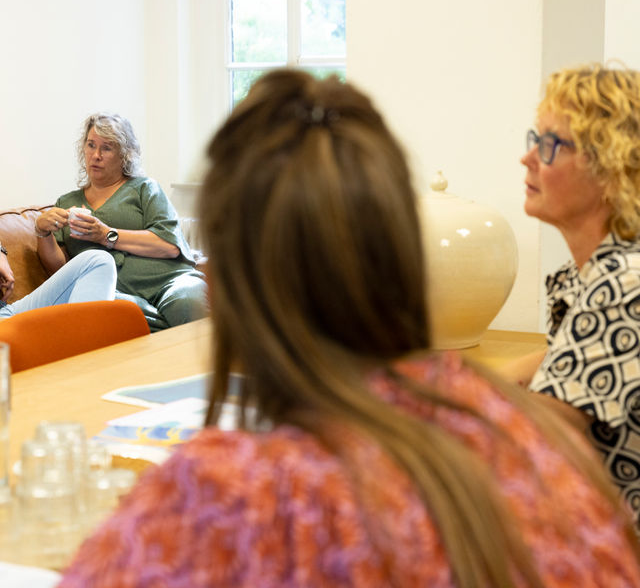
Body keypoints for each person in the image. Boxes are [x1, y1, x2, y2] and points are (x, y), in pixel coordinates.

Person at [57, 70, 640, 588]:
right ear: (403, 250)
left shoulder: (214, 500)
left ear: (232, 279)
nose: (528, 158)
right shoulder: (546, 469)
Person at [516, 63, 640, 533]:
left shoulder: (626, 279)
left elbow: (549, 424)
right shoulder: (584, 274)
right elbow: (559, 360)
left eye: (550, 144)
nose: (528, 158)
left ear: (612, 168)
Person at [34, 113, 207, 332]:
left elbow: (169, 246)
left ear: (124, 155)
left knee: (188, 303)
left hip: (170, 282)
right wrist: (42, 232)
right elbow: (60, 269)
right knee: (116, 312)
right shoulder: (67, 202)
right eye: (91, 145)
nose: (96, 155)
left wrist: (106, 235)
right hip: (115, 292)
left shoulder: (145, 188)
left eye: (107, 148)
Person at [0, 245, 116, 319]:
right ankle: (81, 349)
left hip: (8, 312)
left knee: (96, 264)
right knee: (98, 262)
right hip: (5, 325)